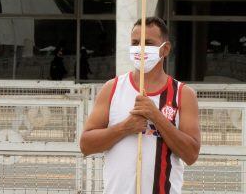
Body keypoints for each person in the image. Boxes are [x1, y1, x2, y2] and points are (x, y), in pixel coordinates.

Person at [80, 17, 201, 194]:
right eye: (135, 43)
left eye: (148, 43)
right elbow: (86, 145)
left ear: (165, 49)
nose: (140, 48)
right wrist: (124, 128)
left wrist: (156, 116)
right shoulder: (112, 88)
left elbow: (191, 155)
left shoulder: (182, 94)